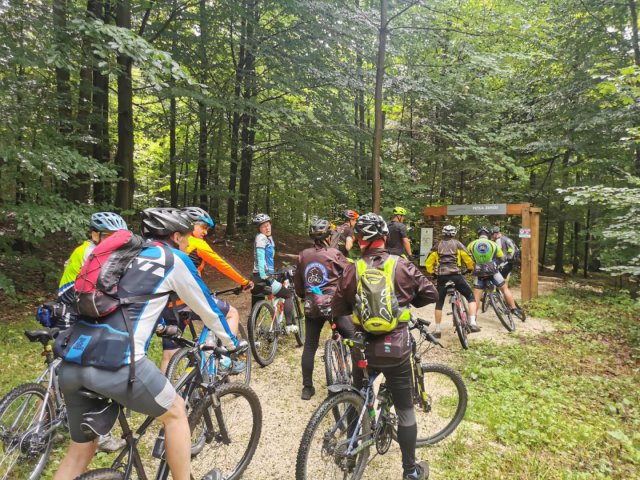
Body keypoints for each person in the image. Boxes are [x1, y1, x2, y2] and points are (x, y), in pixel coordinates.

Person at [53, 208, 241, 480]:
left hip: (73, 359)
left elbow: (123, 305)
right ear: (176, 236)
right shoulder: (172, 259)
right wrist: (231, 343)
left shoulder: (121, 256)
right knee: (176, 413)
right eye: (186, 238)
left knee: (80, 450)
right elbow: (208, 309)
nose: (188, 244)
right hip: (118, 364)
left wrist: (162, 326)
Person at [332, 213, 438, 480]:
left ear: (359, 241)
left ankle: (353, 452)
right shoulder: (401, 265)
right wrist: (405, 300)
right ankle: (409, 472)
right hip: (397, 347)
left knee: (358, 396)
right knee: (405, 410)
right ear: (384, 237)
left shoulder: (353, 268)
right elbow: (431, 294)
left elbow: (338, 307)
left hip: (363, 348)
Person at [56, 211, 128, 453]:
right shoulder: (89, 251)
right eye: (106, 235)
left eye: (114, 236)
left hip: (71, 310)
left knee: (61, 369)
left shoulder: (92, 250)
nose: (111, 240)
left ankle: (48, 418)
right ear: (94, 234)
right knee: (92, 367)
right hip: (73, 312)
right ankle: (103, 436)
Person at [158, 206, 253, 373]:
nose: (205, 232)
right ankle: (226, 359)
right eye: (203, 227)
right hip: (187, 300)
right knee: (231, 313)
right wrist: (244, 281)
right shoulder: (196, 244)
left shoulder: (167, 243)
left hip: (167, 304)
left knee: (169, 354)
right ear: (191, 225)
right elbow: (222, 264)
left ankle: (165, 395)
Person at [295, 218, 354, 400]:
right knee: (353, 337)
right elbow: (350, 275)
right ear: (329, 236)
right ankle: (359, 378)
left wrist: (305, 296)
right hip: (333, 305)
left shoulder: (303, 255)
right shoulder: (335, 253)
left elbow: (298, 286)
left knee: (310, 345)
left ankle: (307, 388)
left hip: (312, 305)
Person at [425, 225, 479, 337]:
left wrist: (433, 274)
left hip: (442, 277)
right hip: (456, 275)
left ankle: (438, 329)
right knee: (470, 297)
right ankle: (473, 322)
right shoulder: (458, 244)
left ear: (443, 233)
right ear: (454, 234)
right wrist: (470, 268)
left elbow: (428, 263)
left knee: (439, 302)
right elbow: (468, 258)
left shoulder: (437, 246)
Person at [251, 213, 297, 333]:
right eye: (263, 226)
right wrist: (265, 275)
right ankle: (289, 325)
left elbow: (267, 259)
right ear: (259, 228)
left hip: (256, 278)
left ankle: (252, 335)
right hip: (263, 276)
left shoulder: (267, 238)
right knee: (288, 295)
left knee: (254, 310)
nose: (267, 228)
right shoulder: (261, 238)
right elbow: (261, 258)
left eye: (268, 225)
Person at [468, 226, 523, 319]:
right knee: (505, 289)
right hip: (493, 271)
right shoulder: (493, 244)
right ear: (488, 235)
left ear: (478, 234)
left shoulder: (471, 244)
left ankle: (473, 319)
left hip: (479, 272)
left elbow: (468, 258)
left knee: (476, 296)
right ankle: (514, 309)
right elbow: (502, 258)